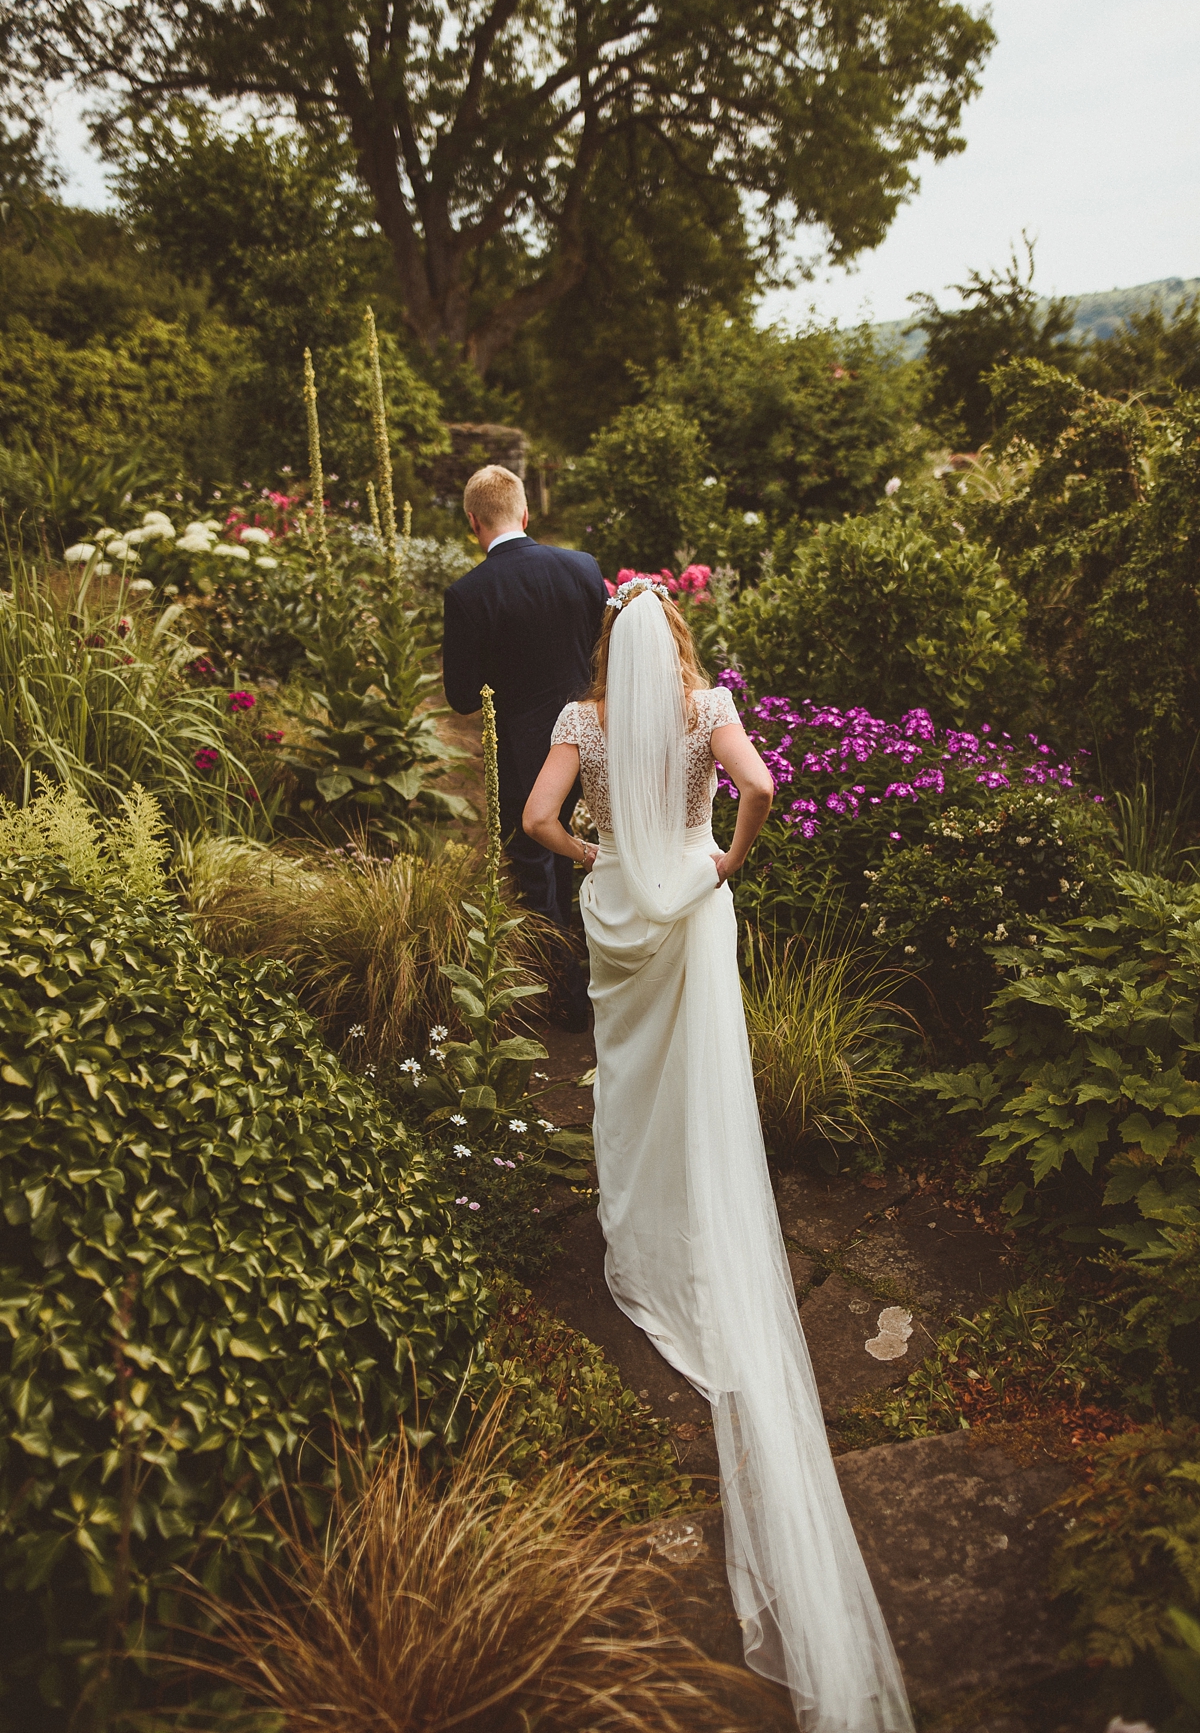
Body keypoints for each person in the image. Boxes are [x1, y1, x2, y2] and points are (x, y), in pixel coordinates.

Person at [522, 579, 914, 1733]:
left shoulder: (576, 722)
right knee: (703, 1072)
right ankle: (704, 1207)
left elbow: (536, 822)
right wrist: (720, 861)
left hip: (616, 915)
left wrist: (598, 845)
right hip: (692, 903)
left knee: (630, 1079)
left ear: (607, 645)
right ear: (679, 640)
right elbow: (766, 786)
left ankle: (637, 1212)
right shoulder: (709, 707)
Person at [442, 464, 608, 1028]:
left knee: (537, 860)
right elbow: (609, 653)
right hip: (599, 738)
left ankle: (567, 994)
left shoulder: (467, 595)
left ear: (473, 521)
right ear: (525, 512)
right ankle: (619, 972)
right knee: (610, 844)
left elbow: (463, 696)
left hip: (526, 751)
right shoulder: (582, 568)